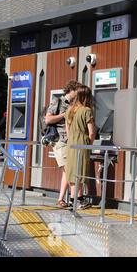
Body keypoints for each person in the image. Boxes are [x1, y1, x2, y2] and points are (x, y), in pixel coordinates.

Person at [45, 80, 81, 208]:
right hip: (60, 140)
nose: (77, 94)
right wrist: (64, 115)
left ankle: (61, 199)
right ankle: (76, 199)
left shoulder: (75, 104)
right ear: (71, 90)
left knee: (67, 171)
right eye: (76, 91)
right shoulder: (58, 101)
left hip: (70, 141)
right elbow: (48, 119)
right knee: (69, 170)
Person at [65, 85, 96, 210]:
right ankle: (76, 200)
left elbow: (67, 131)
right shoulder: (86, 110)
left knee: (73, 172)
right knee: (80, 172)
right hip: (82, 144)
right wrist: (89, 143)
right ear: (87, 97)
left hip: (71, 144)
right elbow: (92, 132)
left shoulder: (69, 110)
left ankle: (76, 199)